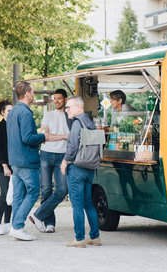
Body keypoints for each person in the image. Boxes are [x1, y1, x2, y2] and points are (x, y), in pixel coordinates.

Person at [6, 81, 54, 241]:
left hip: (15, 160)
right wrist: (43, 136)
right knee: (33, 192)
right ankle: (18, 226)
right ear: (26, 93)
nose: (34, 94)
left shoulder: (12, 112)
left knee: (19, 195)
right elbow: (27, 138)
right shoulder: (25, 113)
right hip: (27, 160)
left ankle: (15, 227)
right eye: (32, 91)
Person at [60, 96, 101, 248]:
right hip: (90, 168)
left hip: (77, 168)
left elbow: (72, 145)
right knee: (89, 204)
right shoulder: (91, 123)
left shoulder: (77, 123)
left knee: (77, 205)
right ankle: (95, 237)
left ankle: (79, 239)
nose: (67, 110)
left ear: (78, 107)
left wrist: (64, 162)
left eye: (69, 107)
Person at [29, 89, 70, 233]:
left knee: (62, 190)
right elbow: (44, 135)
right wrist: (64, 136)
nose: (57, 101)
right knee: (45, 190)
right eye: (55, 98)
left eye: (59, 98)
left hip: (63, 156)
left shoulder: (69, 116)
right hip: (46, 155)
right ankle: (49, 223)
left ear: (65, 99)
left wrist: (55, 136)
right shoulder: (48, 114)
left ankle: (38, 215)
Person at [0, 99, 13, 235]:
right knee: (5, 193)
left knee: (12, 194)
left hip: (15, 164)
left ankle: (8, 222)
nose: (12, 113)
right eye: (9, 111)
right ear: (2, 113)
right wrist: (5, 166)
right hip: (2, 165)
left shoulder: (15, 126)